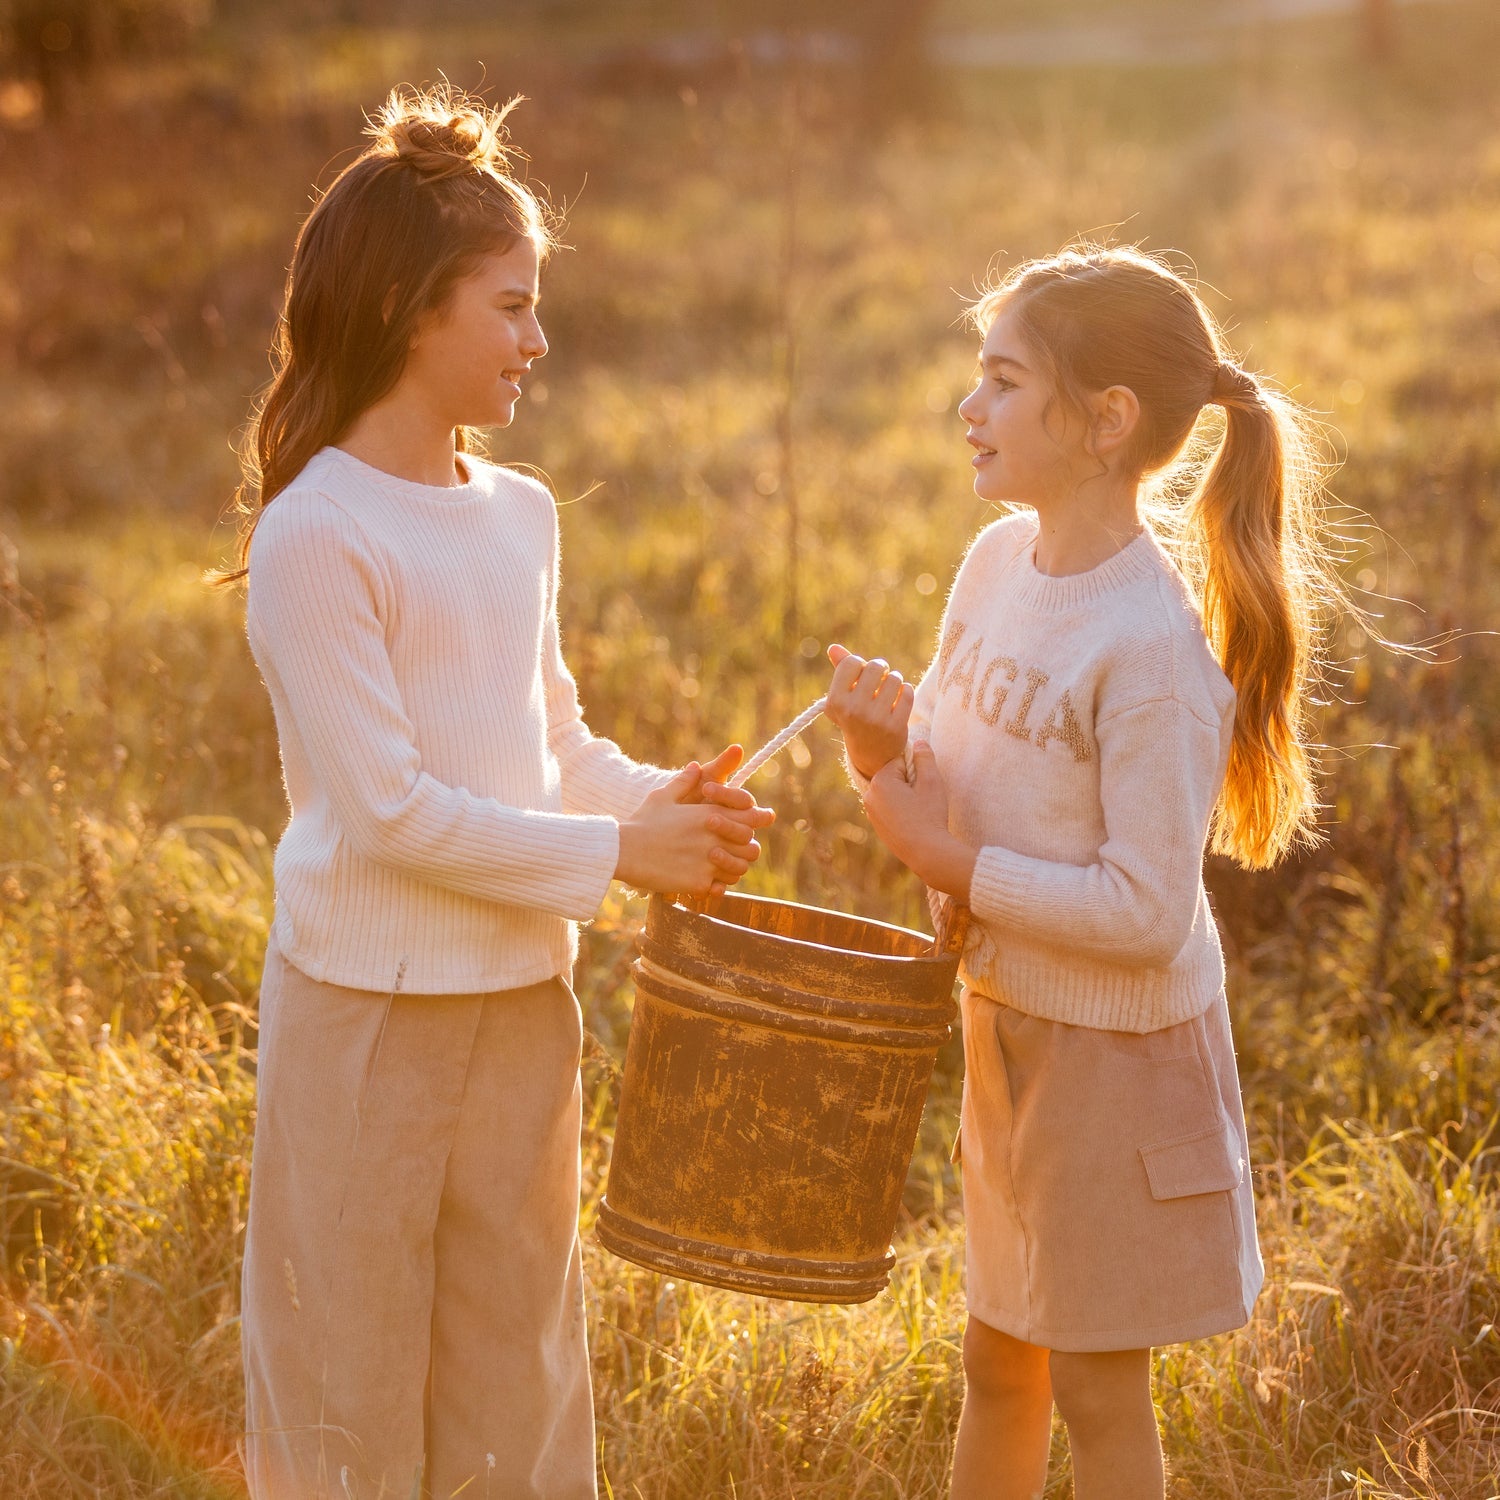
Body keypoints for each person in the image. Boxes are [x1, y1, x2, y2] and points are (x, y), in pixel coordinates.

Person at [221, 85, 774, 1500]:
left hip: (523, 1010)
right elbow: (394, 813)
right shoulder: (316, 536)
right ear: (413, 311)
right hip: (364, 1020)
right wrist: (616, 853)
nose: (539, 341)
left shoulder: (518, 514)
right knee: (342, 1390)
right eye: (512, 307)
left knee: (515, 1390)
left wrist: (667, 806)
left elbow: (551, 738)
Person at [824, 244, 1343, 1500]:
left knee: (1099, 1390)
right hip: (1006, 1030)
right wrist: (883, 751)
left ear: (1106, 422)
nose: (970, 407)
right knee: (1000, 1359)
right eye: (977, 379)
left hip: (1113, 1067)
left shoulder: (1151, 651)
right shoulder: (998, 566)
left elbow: (1148, 912)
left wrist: (951, 856)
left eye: (1003, 382)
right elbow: (954, 766)